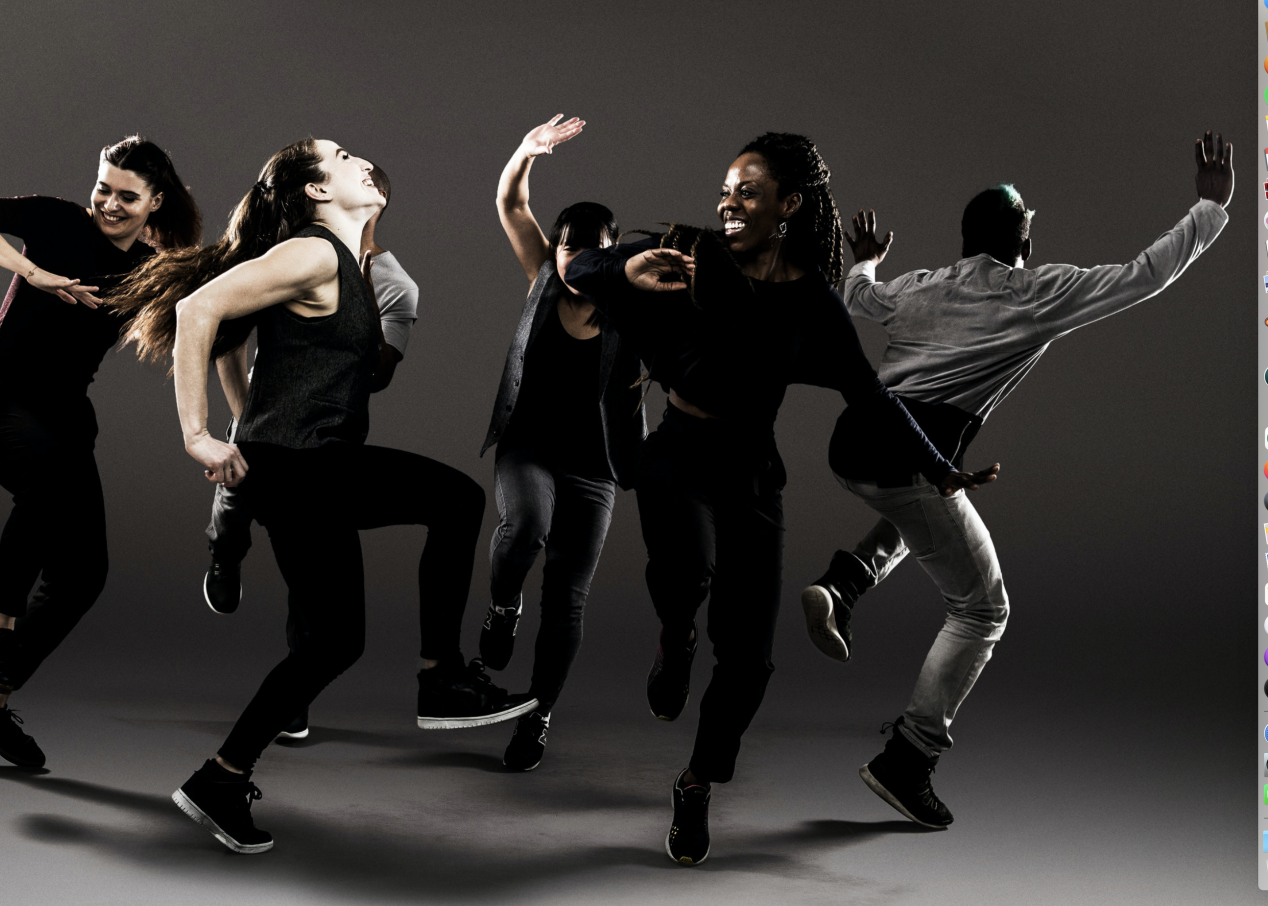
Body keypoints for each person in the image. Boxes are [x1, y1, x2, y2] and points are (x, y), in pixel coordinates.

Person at [565, 132, 998, 865]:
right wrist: (624, 264)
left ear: (789, 205)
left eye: (749, 193)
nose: (729, 204)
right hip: (678, 453)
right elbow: (575, 268)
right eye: (726, 191)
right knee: (687, 576)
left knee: (751, 660)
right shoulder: (685, 253)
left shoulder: (812, 307)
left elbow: (870, 399)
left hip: (751, 471)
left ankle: (697, 784)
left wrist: (939, 467)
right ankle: (675, 638)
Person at [111, 138, 535, 854]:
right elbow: (196, 313)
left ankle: (220, 779)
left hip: (303, 467)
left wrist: (250, 426)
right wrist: (200, 436)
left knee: (335, 642)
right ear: (314, 189)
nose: (361, 159)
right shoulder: (312, 253)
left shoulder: (342, 261)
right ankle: (443, 678)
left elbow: (253, 346)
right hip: (304, 470)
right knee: (457, 500)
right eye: (340, 156)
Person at [798, 132, 1232, 830]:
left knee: (931, 510)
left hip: (854, 447)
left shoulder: (922, 285)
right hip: (912, 459)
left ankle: (843, 584)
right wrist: (1209, 208)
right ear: (1023, 236)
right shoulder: (1036, 292)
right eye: (1030, 221)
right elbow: (1144, 275)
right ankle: (908, 760)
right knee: (982, 609)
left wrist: (870, 261)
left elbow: (860, 297)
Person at [198, 162, 485, 744]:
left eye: (368, 176)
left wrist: (361, 331)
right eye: (343, 163)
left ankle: (287, 710)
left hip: (322, 450)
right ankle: (225, 559)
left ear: (375, 202)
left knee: (326, 608)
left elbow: (377, 376)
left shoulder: (393, 284)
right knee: (236, 517)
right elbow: (215, 328)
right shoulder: (304, 254)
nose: (358, 173)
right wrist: (230, 427)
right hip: (269, 434)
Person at [0, 136, 201, 769]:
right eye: (103, 187)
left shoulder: (150, 268)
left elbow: (207, 314)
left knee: (83, 573)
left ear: (155, 201)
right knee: (47, 486)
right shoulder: (57, 219)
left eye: (127, 195)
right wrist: (31, 272)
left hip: (59, 425)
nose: (109, 203)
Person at [479, 116, 646, 770]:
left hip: (596, 467)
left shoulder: (635, 304)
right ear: (554, 251)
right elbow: (511, 204)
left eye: (591, 257)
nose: (576, 266)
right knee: (525, 527)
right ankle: (500, 607)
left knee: (568, 598)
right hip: (529, 448)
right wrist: (525, 150)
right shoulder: (543, 277)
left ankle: (537, 715)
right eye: (566, 252)